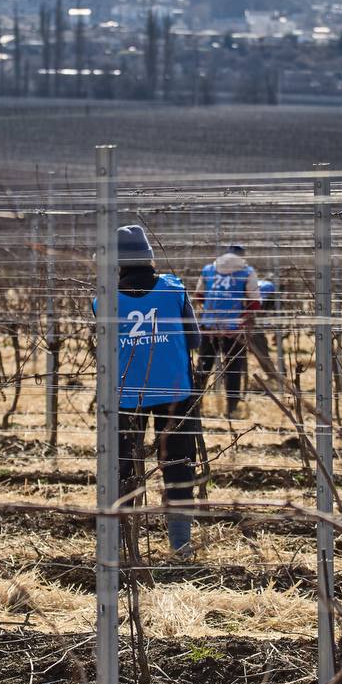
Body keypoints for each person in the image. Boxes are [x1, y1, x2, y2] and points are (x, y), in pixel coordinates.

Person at [103, 225, 202, 552]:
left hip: (126, 395)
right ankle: (181, 546)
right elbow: (196, 341)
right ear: (149, 258)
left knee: (124, 467)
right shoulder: (175, 290)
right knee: (177, 467)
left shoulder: (103, 300)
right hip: (175, 394)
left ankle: (123, 544)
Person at [194, 243, 261, 417]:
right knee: (233, 368)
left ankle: (194, 405)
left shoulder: (208, 269)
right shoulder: (247, 272)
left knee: (203, 367)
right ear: (242, 255)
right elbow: (255, 302)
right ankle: (231, 409)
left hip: (209, 327)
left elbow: (199, 296)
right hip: (233, 328)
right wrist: (243, 316)